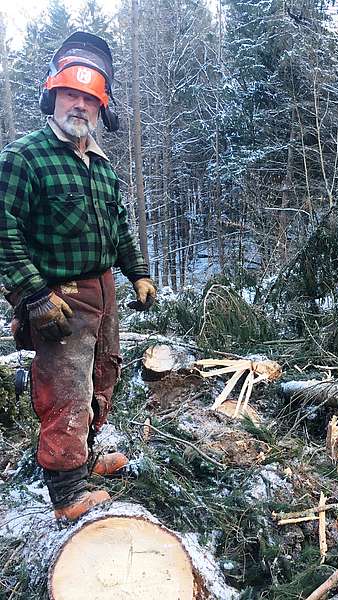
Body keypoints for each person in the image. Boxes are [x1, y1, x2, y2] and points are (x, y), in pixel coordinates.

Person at [0, 32, 156, 521]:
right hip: (59, 296)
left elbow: (120, 228)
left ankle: (83, 460)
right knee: (65, 388)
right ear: (53, 94)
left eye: (90, 98)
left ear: (101, 106)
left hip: (103, 289)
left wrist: (139, 274)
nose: (80, 105)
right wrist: (34, 294)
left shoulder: (103, 168)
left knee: (102, 376)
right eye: (72, 94)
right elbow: (3, 232)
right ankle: (66, 493)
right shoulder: (24, 157)